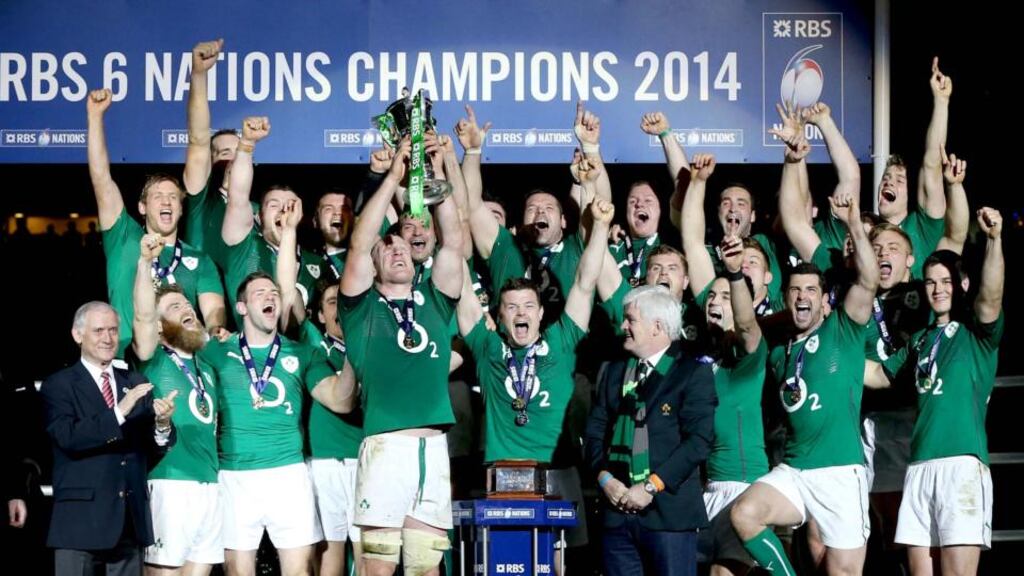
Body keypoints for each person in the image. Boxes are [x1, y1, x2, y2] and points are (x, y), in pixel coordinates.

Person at [730, 185, 879, 575]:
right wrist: (732, 272)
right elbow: (746, 324)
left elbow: (866, 279)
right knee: (745, 514)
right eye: (794, 290)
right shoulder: (779, 347)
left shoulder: (843, 329)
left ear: (825, 301)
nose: (802, 297)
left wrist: (853, 224)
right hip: (795, 470)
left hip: (841, 472)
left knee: (840, 571)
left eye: (811, 291)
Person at [340, 135, 463, 576]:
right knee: (378, 568)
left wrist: (433, 175)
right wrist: (393, 175)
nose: (396, 250)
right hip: (386, 449)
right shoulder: (359, 308)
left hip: (433, 450)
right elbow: (358, 244)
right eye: (385, 247)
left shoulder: (435, 300)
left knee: (427, 569)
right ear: (371, 264)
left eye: (402, 247)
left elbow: (453, 241)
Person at [201, 266, 353, 576]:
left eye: (275, 294)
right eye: (260, 294)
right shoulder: (215, 352)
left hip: (289, 475)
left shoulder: (302, 353)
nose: (271, 297)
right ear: (241, 307)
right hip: (235, 475)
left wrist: (357, 352)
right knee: (238, 572)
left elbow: (339, 399)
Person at [879, 209, 1004, 576]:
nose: (938, 290)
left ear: (963, 284)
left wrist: (995, 241)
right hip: (918, 468)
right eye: (931, 282)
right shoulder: (919, 340)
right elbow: (878, 374)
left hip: (961, 468)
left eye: (946, 281)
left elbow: (992, 296)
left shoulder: (978, 335)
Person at [585, 285, 716, 575]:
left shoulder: (692, 372)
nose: (623, 326)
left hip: (668, 516)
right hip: (616, 513)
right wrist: (605, 478)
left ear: (657, 327)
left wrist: (649, 487)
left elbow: (698, 442)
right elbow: (594, 433)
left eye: (630, 320)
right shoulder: (613, 371)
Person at [86, 88, 227, 356]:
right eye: (158, 196)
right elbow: (101, 178)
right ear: (141, 207)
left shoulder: (200, 260)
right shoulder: (124, 237)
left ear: (181, 209)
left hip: (183, 361)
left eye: (173, 197)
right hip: (128, 359)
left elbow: (213, 315)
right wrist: (95, 117)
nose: (166, 202)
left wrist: (216, 329)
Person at [41, 302, 178, 576]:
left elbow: (145, 452)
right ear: (77, 335)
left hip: (129, 521)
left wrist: (162, 426)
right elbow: (69, 437)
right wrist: (119, 411)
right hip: (79, 524)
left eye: (113, 330)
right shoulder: (59, 384)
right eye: (99, 330)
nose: (108, 338)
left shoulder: (136, 382)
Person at [131, 234, 223, 575]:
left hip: (210, 486)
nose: (186, 309)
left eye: (187, 305)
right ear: (158, 325)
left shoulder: (207, 364)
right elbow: (141, 316)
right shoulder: (154, 358)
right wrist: (143, 262)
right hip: (170, 484)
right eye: (174, 307)